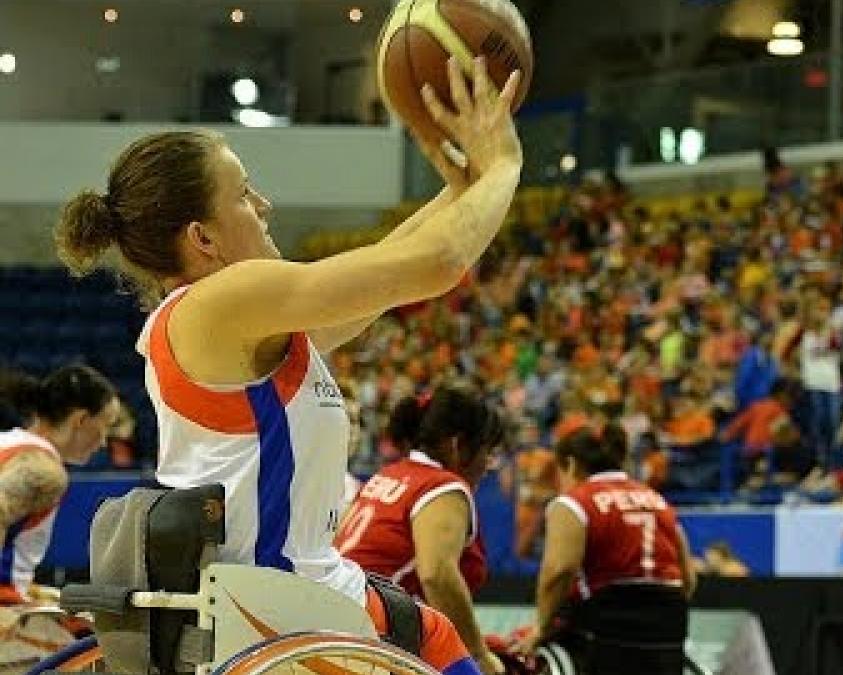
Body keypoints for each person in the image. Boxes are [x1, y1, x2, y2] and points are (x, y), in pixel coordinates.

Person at [55, 56, 523, 674]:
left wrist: (463, 186)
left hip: (303, 590)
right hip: (273, 608)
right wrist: (506, 164)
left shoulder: (241, 325)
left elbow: (389, 270)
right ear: (203, 238)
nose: (265, 204)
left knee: (436, 637)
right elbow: (437, 265)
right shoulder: (218, 303)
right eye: (245, 194)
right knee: (442, 644)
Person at [337, 385, 508, 674]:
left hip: (339, 607)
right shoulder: (442, 486)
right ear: (458, 445)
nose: (488, 466)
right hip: (374, 624)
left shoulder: (388, 474)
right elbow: (438, 575)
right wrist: (478, 654)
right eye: (487, 452)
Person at [519, 424, 697, 671]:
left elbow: (559, 571)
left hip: (606, 630)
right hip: (669, 629)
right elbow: (687, 577)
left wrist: (541, 627)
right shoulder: (657, 500)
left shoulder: (573, 503)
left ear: (570, 465)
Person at [0, 365, 119, 604]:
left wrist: (31, 591)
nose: (104, 442)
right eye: (105, 426)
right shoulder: (45, 470)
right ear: (81, 419)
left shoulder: (6, 442)